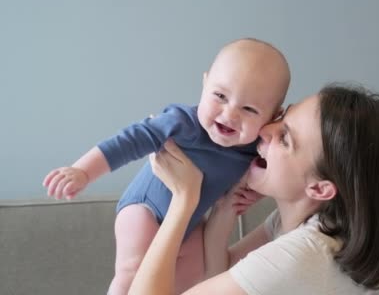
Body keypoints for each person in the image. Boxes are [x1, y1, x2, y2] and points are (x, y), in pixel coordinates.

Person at [42, 38, 291, 294]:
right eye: (220, 96)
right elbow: (130, 140)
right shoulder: (183, 123)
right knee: (134, 270)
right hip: (144, 208)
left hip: (190, 223)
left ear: (273, 116)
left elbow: (279, 174)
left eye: (249, 109)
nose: (229, 114)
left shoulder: (254, 149)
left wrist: (255, 193)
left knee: (195, 275)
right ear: (205, 83)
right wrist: (83, 171)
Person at [129, 83, 379, 295]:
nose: (266, 129)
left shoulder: (304, 255)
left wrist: (184, 200)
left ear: (320, 189)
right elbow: (224, 271)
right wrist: (225, 208)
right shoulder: (314, 224)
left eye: (285, 139)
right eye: (283, 117)